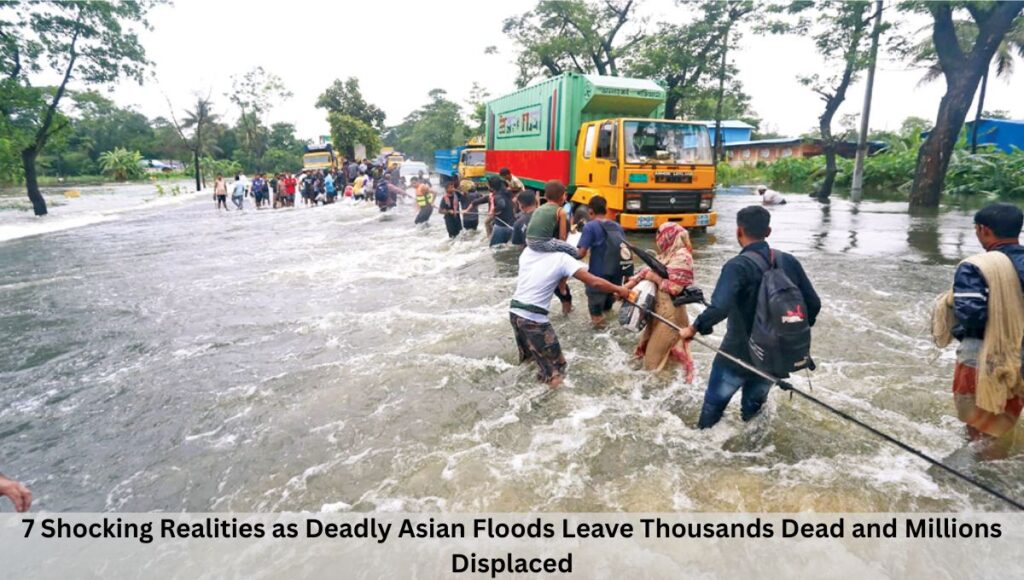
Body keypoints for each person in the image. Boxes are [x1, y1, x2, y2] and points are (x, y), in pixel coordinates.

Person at [679, 205, 820, 429]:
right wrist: (785, 332)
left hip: (735, 354)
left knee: (712, 412)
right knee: (753, 416)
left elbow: (719, 308)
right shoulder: (788, 261)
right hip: (772, 358)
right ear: (768, 231)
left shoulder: (737, 266)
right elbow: (813, 304)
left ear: (739, 231)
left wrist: (694, 328)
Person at [932, 203, 1024, 448]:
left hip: (983, 357)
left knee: (979, 431)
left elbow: (972, 317)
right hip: (1020, 359)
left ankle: (979, 468)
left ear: (984, 230)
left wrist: (955, 325)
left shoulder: (976, 267)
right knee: (1004, 424)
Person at [510, 244, 632, 387]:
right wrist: (619, 289)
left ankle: (522, 390)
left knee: (530, 362)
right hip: (534, 319)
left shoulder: (529, 251)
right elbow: (595, 282)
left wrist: (562, 284)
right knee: (557, 370)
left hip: (515, 313)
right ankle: (556, 399)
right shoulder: (562, 259)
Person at [624, 222, 696, 380]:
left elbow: (676, 288)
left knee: (652, 364)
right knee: (645, 354)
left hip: (671, 316)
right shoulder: (666, 254)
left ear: (668, 237)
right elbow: (646, 271)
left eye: (660, 236)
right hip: (657, 312)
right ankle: (672, 381)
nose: (657, 240)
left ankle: (664, 389)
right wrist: (627, 286)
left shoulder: (683, 257)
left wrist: (655, 278)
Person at [577, 195, 630, 327]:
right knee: (607, 313)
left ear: (590, 211)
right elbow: (626, 251)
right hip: (615, 280)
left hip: (598, 280)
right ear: (605, 210)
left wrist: (564, 252)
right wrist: (627, 277)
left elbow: (581, 253)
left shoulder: (590, 227)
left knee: (597, 319)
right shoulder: (617, 226)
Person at [524, 181, 580, 257]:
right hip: (542, 243)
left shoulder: (539, 208)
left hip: (528, 241)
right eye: (565, 195)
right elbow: (562, 237)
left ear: (545, 196)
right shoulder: (561, 211)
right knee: (575, 251)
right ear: (562, 197)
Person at [488, 176, 516, 246]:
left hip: (501, 227)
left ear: (491, 187)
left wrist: (493, 211)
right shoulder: (507, 192)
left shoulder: (497, 195)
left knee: (494, 248)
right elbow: (514, 202)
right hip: (511, 225)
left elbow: (501, 204)